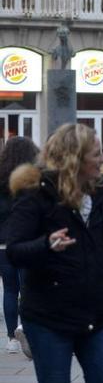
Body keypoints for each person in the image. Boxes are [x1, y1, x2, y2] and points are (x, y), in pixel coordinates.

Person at [7, 124, 103, 383]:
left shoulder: (101, 192)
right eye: (96, 153)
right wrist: (46, 244)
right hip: (48, 314)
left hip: (96, 311)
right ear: (75, 159)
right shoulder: (37, 194)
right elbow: (15, 250)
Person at [0, 136, 39, 353]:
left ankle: (10, 338)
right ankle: (25, 329)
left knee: (9, 289)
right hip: (26, 241)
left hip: (3, 243)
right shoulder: (31, 179)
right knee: (27, 288)